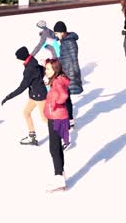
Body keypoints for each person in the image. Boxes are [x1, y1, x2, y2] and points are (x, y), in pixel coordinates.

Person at [1, 46, 47, 146]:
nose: (17, 61)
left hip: (40, 96)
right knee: (26, 112)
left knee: (45, 119)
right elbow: (41, 70)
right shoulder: (32, 61)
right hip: (34, 95)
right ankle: (32, 137)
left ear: (22, 58)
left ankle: (60, 132)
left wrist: (8, 97)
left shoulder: (30, 69)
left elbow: (21, 88)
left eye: (17, 58)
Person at [44, 58, 70, 192]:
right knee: (56, 148)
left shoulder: (57, 83)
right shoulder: (57, 80)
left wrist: (54, 102)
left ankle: (59, 177)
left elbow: (63, 95)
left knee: (54, 149)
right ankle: (60, 174)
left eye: (48, 68)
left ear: (55, 69)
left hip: (56, 118)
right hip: (57, 116)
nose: (46, 71)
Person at [53, 21, 83, 128]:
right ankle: (69, 120)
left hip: (69, 74)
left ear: (62, 32)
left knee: (64, 97)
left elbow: (72, 60)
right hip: (66, 72)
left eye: (57, 33)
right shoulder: (65, 40)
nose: (56, 35)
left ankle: (67, 119)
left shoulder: (69, 42)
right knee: (66, 98)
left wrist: (69, 74)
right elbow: (64, 58)